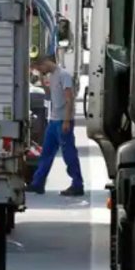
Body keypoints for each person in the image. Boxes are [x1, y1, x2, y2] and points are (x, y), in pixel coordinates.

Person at [28, 55, 84, 196]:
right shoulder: (51, 76)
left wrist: (66, 120)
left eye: (40, 68)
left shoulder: (63, 75)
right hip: (53, 121)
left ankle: (77, 184)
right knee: (46, 153)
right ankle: (38, 183)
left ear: (45, 63)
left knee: (69, 154)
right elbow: (49, 94)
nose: (41, 71)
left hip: (63, 121)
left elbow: (69, 98)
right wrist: (41, 78)